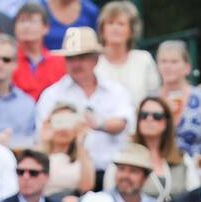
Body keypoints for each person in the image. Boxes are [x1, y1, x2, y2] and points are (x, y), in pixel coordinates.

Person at [34, 25, 132, 177]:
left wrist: (99, 124)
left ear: (96, 59)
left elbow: (122, 123)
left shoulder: (115, 91)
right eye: (71, 58)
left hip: (111, 173)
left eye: (82, 57)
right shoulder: (52, 95)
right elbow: (44, 135)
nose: (76, 64)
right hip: (69, 175)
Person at [105, 94, 198, 202]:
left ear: (166, 122)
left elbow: (194, 196)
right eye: (144, 115)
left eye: (156, 116)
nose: (149, 119)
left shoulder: (182, 159)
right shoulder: (123, 157)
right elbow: (109, 195)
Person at [154, 38, 201, 159]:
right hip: (160, 169)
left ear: (187, 68)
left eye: (174, 62)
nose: (168, 67)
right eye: (163, 61)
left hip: (197, 170)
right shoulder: (151, 101)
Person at [93, 0, 156, 107]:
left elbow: (154, 98)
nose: (115, 28)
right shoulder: (93, 62)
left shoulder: (144, 59)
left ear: (131, 31)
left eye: (121, 24)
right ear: (102, 30)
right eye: (110, 23)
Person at [37, 103, 94, 202]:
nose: (63, 129)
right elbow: (33, 179)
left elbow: (86, 187)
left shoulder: (82, 156)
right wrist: (44, 140)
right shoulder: (38, 154)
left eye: (69, 122)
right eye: (58, 121)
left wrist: (80, 142)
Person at [10, 1, 64, 101]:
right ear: (14, 28)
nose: (26, 26)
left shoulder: (59, 62)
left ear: (46, 28)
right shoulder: (5, 60)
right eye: (22, 21)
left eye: (32, 21)